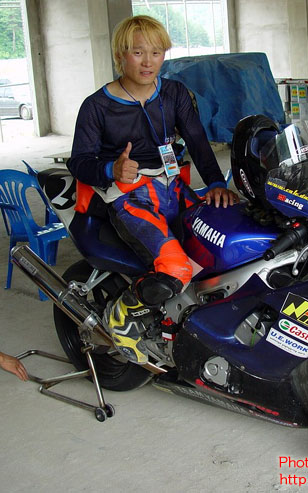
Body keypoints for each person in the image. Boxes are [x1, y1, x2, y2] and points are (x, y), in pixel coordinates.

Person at [68, 15, 239, 364]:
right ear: (120, 55)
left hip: (172, 186)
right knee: (176, 269)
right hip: (129, 196)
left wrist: (216, 183)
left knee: (225, 247)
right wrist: (111, 169)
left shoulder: (174, 93)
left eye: (156, 52)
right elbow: (79, 161)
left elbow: (198, 142)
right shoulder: (96, 106)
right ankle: (122, 316)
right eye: (137, 52)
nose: (148, 62)